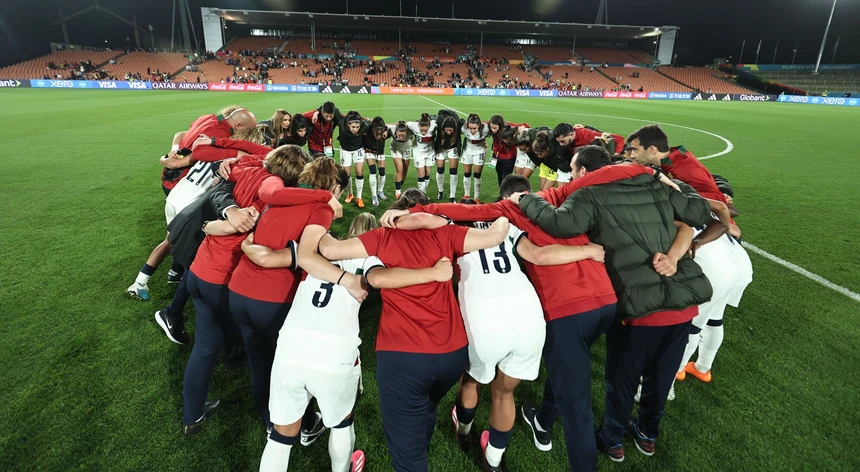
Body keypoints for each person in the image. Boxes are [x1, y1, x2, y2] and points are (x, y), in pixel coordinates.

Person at [383, 176, 618, 472]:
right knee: (505, 392)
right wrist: (588, 251)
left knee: (471, 380)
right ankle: (493, 461)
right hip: (527, 316)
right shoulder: (504, 223)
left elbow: (422, 226)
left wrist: (405, 213)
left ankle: (464, 431)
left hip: (484, 318)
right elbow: (537, 255)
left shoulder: (448, 228)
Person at [510, 145, 715, 463]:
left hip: (628, 305)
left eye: (575, 169)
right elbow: (696, 218)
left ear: (581, 172)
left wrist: (525, 199)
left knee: (617, 379)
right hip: (677, 300)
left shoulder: (588, 194)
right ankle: (644, 434)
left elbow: (558, 227)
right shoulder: (649, 184)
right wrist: (674, 254)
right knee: (658, 376)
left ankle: (611, 439)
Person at [317, 190, 512, 472]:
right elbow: (496, 235)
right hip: (450, 354)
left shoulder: (384, 236)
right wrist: (505, 210)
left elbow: (330, 249)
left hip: (404, 357)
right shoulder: (447, 233)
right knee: (426, 408)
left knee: (408, 460)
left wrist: (317, 218)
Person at [179, 146, 334, 436]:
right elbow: (272, 196)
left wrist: (212, 221)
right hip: (227, 277)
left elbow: (232, 173)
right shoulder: (273, 186)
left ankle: (192, 415)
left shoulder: (248, 170)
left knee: (206, 347)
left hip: (201, 269)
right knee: (271, 357)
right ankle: (286, 421)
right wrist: (326, 197)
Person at [127, 111, 259, 301]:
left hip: (175, 195)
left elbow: (188, 149)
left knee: (174, 240)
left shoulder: (211, 144)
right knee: (179, 243)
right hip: (186, 203)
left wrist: (168, 158)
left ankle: (174, 273)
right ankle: (140, 283)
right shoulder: (235, 157)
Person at [336, 111, 370, 208]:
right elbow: (333, 108)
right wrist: (316, 112)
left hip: (358, 149)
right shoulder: (341, 123)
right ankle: (350, 194)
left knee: (359, 171)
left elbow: (374, 124)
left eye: (357, 127)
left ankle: (359, 197)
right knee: (346, 174)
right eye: (353, 127)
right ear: (348, 124)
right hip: (345, 150)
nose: (355, 129)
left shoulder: (365, 125)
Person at [433, 110, 464, 202]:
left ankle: (452, 196)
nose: (449, 132)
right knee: (440, 170)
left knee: (453, 172)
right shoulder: (438, 121)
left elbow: (469, 123)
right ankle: (440, 191)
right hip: (441, 148)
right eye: (447, 130)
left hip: (453, 147)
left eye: (451, 130)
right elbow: (430, 118)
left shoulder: (458, 123)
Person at [460, 113, 490, 202]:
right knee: (467, 173)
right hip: (467, 150)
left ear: (479, 126)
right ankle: (466, 195)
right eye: (470, 128)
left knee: (477, 175)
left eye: (475, 128)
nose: (472, 131)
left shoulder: (486, 128)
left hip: (479, 151)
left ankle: (476, 197)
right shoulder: (464, 129)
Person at [362, 117, 391, 206]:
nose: (379, 135)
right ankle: (374, 195)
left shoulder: (386, 131)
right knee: (373, 171)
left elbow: (395, 126)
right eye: (376, 133)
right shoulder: (367, 129)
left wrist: (386, 130)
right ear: (373, 129)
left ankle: (380, 191)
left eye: (381, 132)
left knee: (382, 172)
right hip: (369, 150)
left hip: (379, 151)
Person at [405, 114, 437, 194]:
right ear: (418, 125)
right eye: (421, 130)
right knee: (421, 174)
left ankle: (424, 193)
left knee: (427, 173)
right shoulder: (413, 125)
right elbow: (401, 124)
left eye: (425, 131)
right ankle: (422, 196)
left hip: (430, 152)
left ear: (429, 126)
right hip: (418, 152)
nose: (423, 133)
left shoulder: (434, 125)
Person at [388, 120, 415, 199]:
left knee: (405, 169)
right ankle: (398, 191)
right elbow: (383, 125)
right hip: (395, 148)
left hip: (406, 148)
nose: (401, 138)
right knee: (399, 169)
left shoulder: (410, 130)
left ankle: (400, 184)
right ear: (396, 131)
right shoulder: (391, 129)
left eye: (403, 135)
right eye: (399, 135)